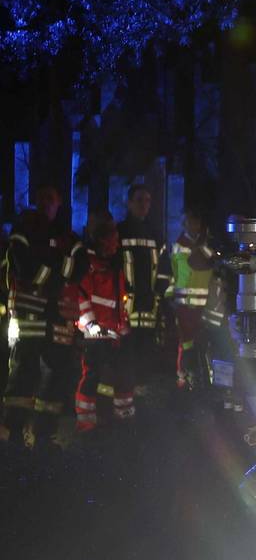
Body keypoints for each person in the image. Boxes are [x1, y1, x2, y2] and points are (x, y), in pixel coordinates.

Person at [2, 185, 85, 450]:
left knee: (56, 372)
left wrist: (49, 270)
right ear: (38, 201)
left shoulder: (64, 235)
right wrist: (57, 274)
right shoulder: (23, 228)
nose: (49, 202)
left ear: (59, 202)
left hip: (54, 314)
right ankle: (13, 431)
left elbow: (80, 264)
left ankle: (44, 432)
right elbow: (24, 267)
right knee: (23, 370)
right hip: (28, 313)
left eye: (53, 198)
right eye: (44, 197)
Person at [75, 213, 134, 432]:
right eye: (114, 239)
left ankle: (123, 417)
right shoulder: (87, 262)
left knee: (120, 374)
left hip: (112, 330)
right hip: (95, 333)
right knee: (92, 376)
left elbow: (118, 299)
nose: (117, 244)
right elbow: (80, 296)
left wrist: (122, 327)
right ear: (102, 239)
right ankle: (87, 422)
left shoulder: (112, 263)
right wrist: (91, 325)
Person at [118, 183, 169, 397]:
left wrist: (159, 292)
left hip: (149, 302)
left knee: (146, 346)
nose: (144, 204)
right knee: (125, 349)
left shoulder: (157, 234)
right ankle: (125, 394)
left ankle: (141, 391)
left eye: (147, 200)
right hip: (125, 303)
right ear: (129, 203)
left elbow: (165, 268)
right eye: (139, 200)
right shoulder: (119, 231)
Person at [165, 206, 215, 391]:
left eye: (195, 222)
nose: (193, 225)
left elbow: (210, 263)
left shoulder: (206, 245)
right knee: (186, 342)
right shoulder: (178, 244)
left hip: (204, 304)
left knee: (200, 343)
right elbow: (174, 272)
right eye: (189, 222)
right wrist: (169, 297)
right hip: (184, 303)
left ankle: (197, 380)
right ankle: (184, 378)